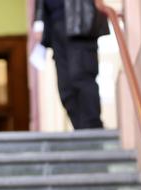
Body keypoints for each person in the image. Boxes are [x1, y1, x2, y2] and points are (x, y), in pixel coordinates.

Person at [33, 0, 108, 129]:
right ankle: (80, 130)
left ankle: (93, 129)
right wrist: (39, 23)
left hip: (80, 23)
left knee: (81, 78)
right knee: (65, 88)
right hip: (55, 28)